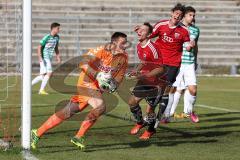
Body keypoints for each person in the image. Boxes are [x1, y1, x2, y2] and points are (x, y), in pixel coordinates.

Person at [31, 32, 129, 150]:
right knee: (100, 107)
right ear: (114, 43)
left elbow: (119, 76)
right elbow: (82, 63)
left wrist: (114, 85)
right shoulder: (101, 50)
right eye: (123, 43)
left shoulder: (123, 58)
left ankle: (37, 132)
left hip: (97, 88)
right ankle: (78, 136)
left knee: (67, 112)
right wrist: (97, 75)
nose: (125, 45)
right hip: (86, 83)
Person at [148, 3, 193, 124]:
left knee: (166, 90)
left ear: (182, 17)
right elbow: (150, 36)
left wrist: (189, 46)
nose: (177, 16)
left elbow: (187, 44)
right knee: (155, 88)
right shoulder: (161, 25)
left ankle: (159, 117)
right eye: (176, 13)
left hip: (173, 63)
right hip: (159, 62)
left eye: (180, 15)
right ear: (172, 13)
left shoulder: (183, 30)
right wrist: (142, 33)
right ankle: (150, 112)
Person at [128, 23, 165, 140]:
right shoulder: (139, 45)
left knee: (150, 109)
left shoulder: (153, 48)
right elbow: (144, 62)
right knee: (132, 102)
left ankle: (150, 130)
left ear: (149, 34)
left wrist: (145, 75)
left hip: (155, 83)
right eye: (139, 30)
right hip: (144, 81)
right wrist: (136, 71)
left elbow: (161, 68)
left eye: (143, 30)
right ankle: (140, 122)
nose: (139, 32)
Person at [169, 6, 200, 123]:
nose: (192, 17)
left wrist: (195, 60)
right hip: (177, 63)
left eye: (193, 15)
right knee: (174, 89)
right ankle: (168, 114)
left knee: (193, 90)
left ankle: (189, 112)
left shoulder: (196, 30)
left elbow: (195, 46)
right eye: (190, 15)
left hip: (190, 63)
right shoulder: (176, 27)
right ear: (184, 16)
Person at [32, 22, 61, 95]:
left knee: (43, 76)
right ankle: (41, 90)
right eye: (58, 28)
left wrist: (58, 56)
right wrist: (39, 57)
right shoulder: (47, 37)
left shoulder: (57, 37)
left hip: (48, 58)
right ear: (53, 28)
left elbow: (56, 47)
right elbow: (39, 47)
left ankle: (27, 86)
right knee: (49, 73)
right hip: (44, 57)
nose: (59, 30)